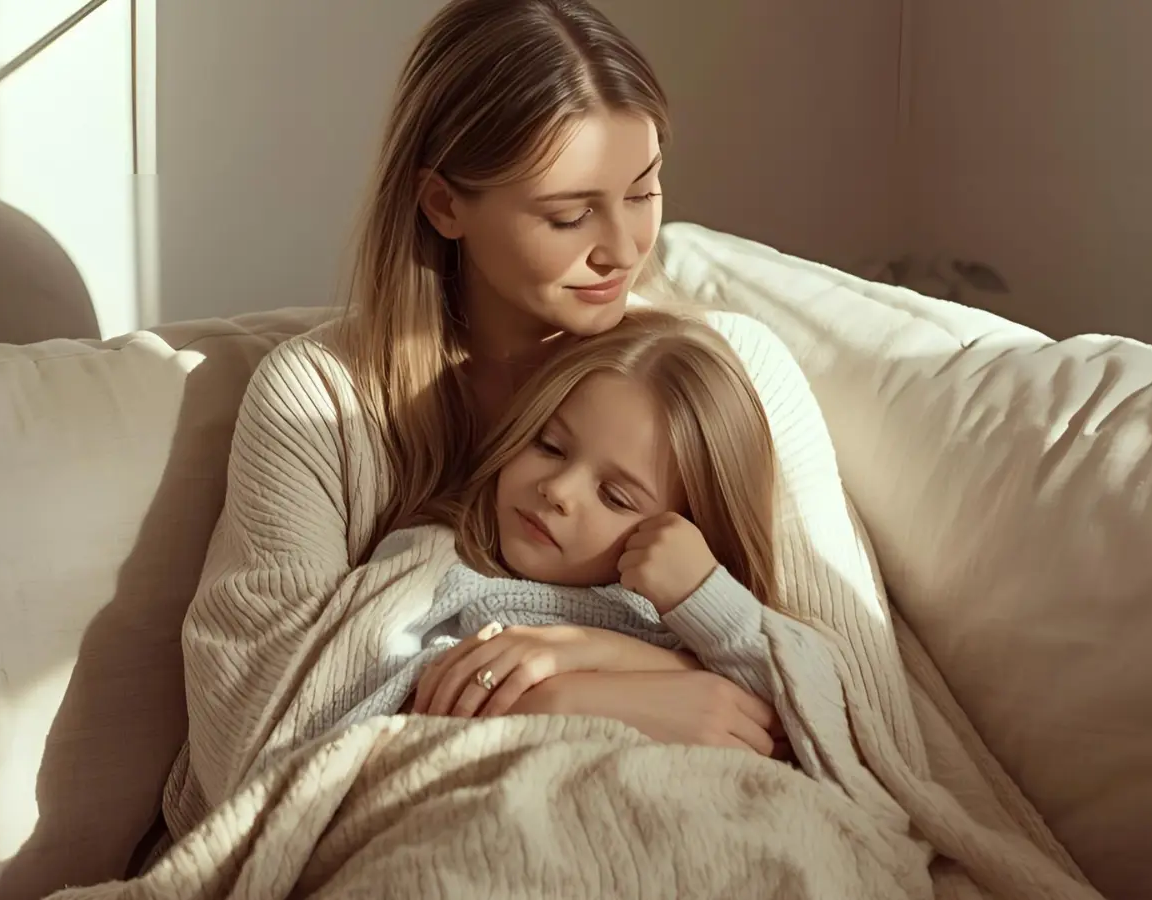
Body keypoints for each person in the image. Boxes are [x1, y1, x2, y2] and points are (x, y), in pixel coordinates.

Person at [165, 0, 875, 837]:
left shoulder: (733, 370)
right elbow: (250, 735)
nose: (622, 247)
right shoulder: (319, 400)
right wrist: (576, 695)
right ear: (443, 206)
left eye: (643, 192)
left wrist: (618, 658)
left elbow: (855, 713)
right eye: (569, 215)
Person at [324, 310, 793, 757]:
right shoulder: (437, 568)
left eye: (615, 496)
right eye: (549, 446)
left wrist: (702, 594)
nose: (558, 491)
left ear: (688, 527)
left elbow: (804, 715)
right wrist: (570, 697)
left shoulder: (688, 621)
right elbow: (358, 718)